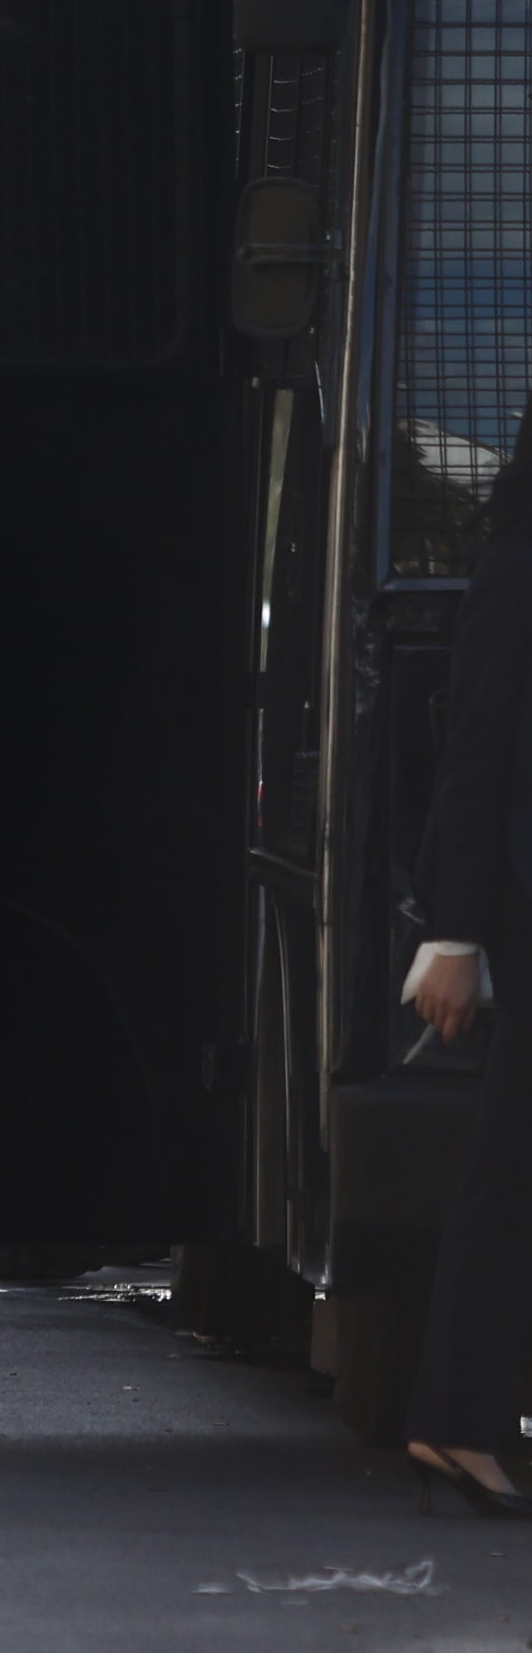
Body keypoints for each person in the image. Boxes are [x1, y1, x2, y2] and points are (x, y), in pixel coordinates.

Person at [404, 441, 532, 1519]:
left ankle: (460, 1416)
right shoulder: (515, 569)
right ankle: (453, 1417)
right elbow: (477, 760)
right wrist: (454, 936)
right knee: (506, 1170)